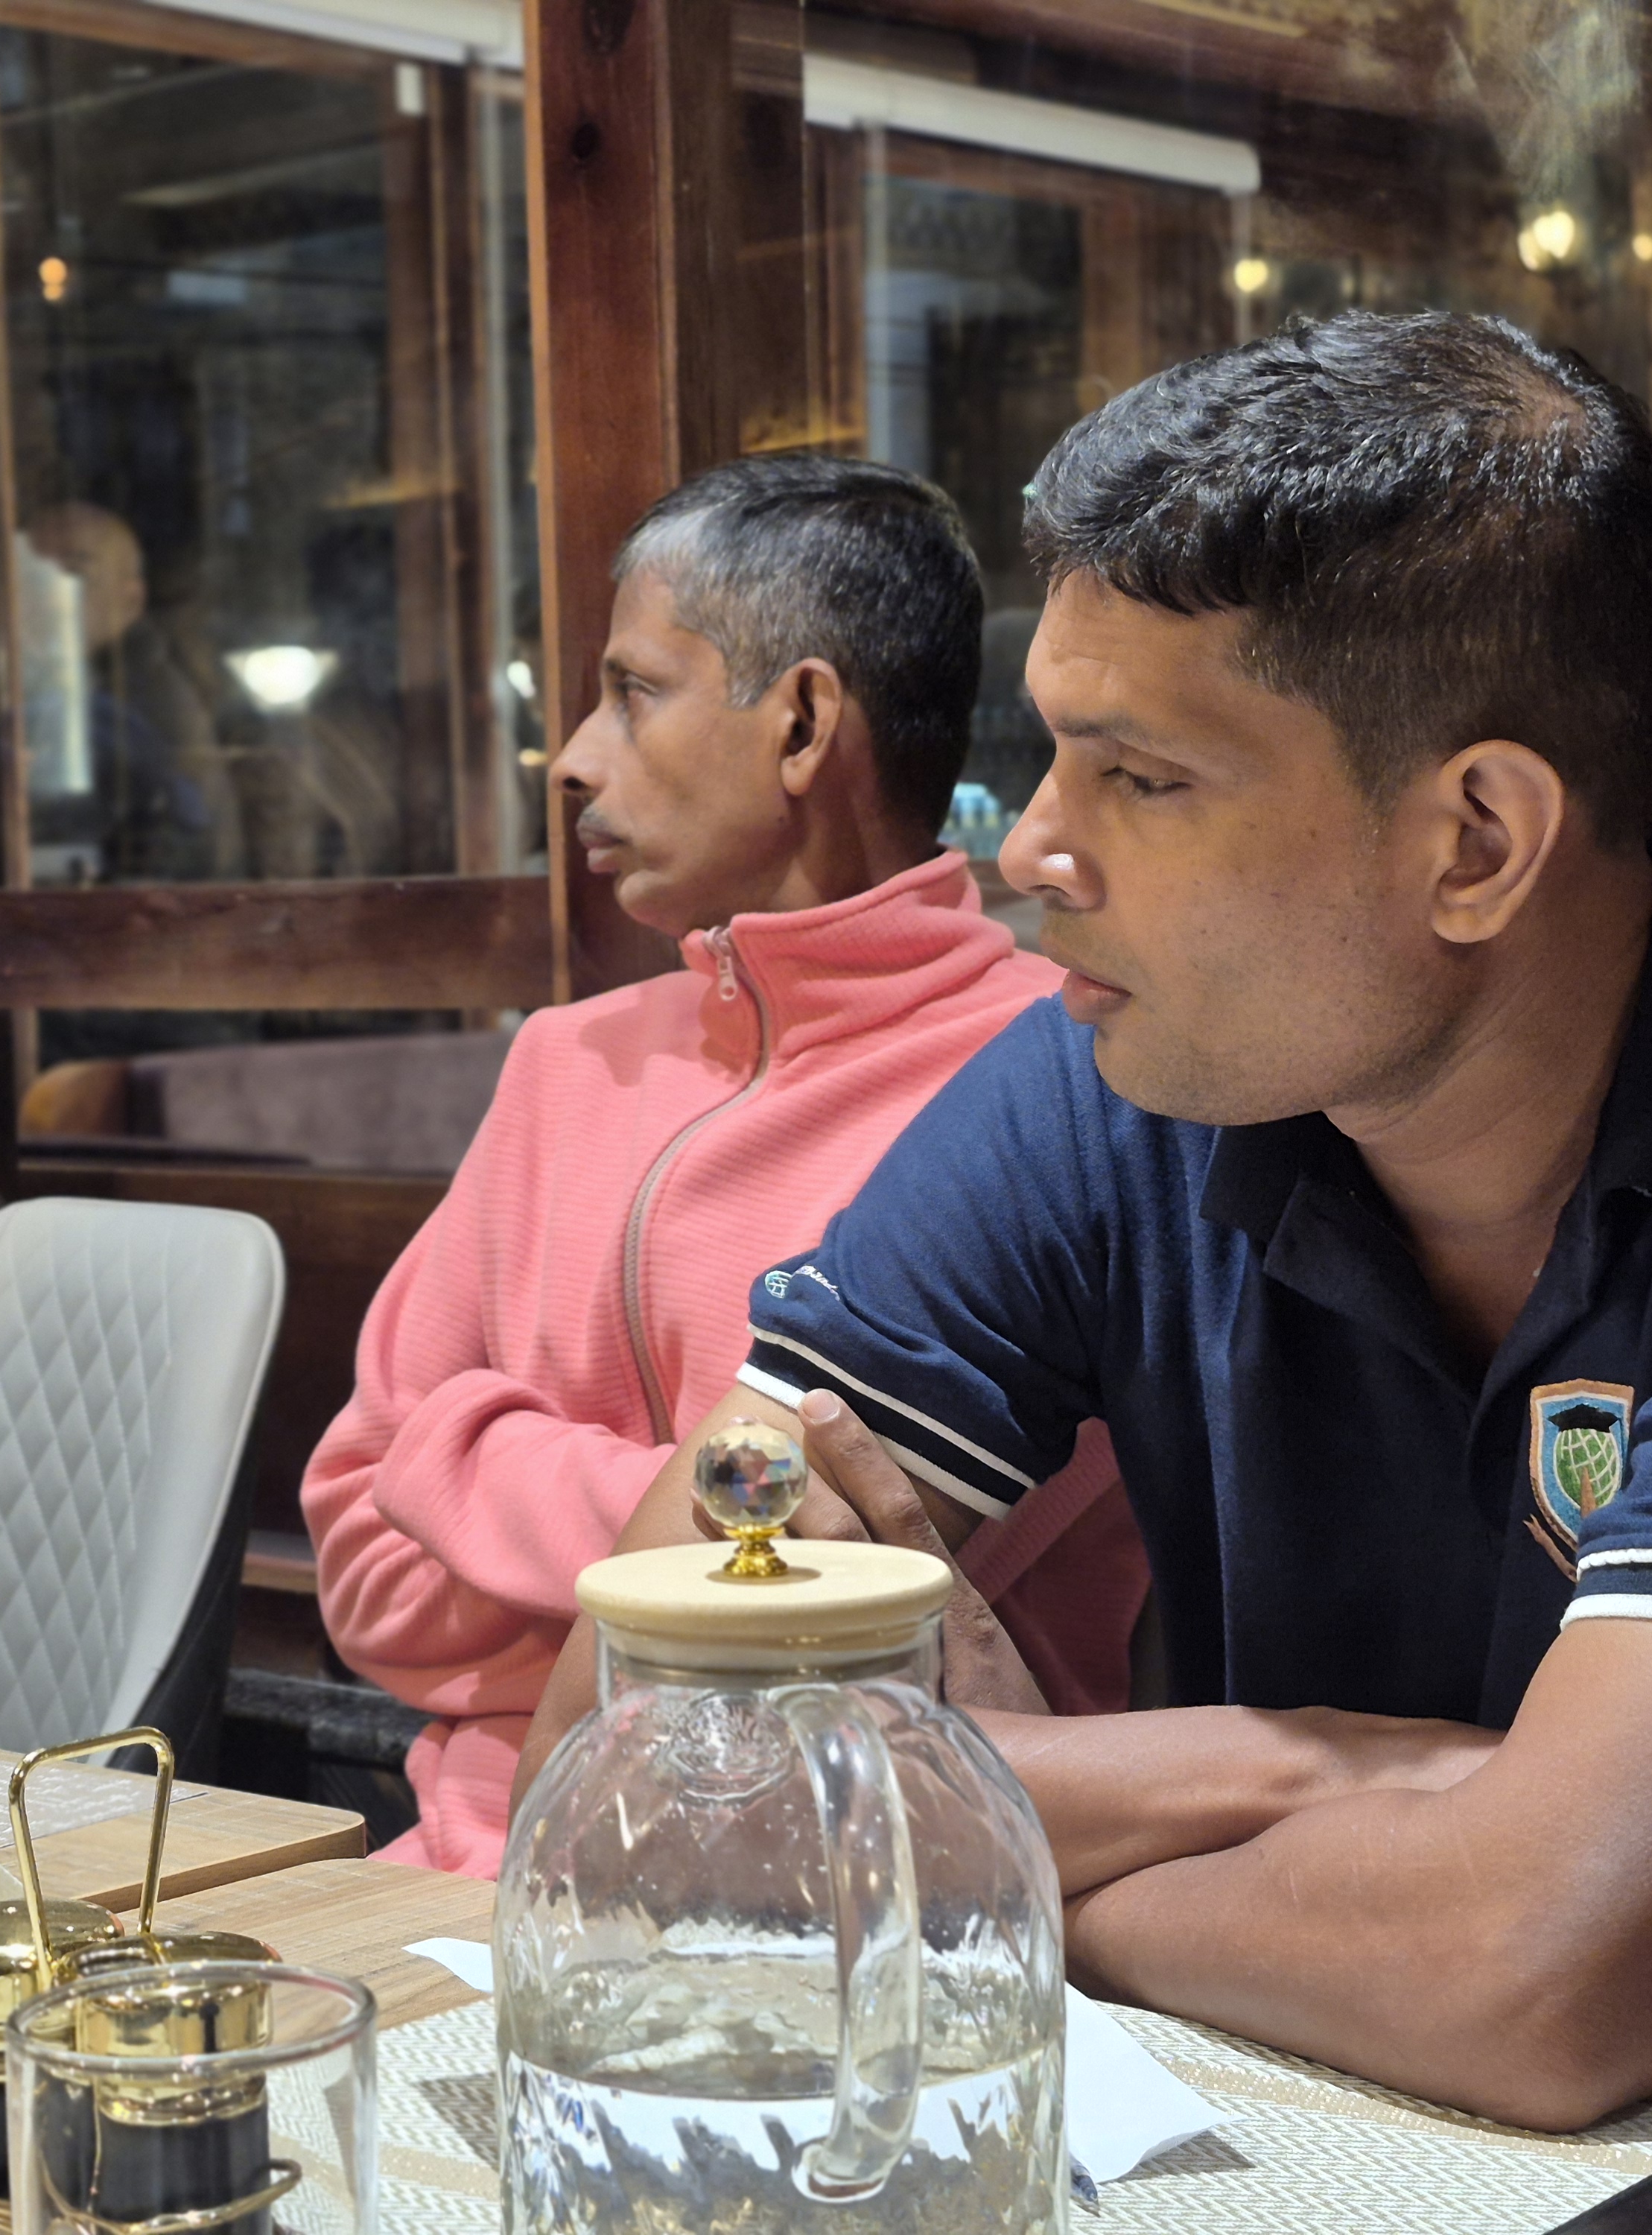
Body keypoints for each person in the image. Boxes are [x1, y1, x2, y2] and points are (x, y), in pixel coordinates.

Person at [516, 311, 1652, 2135]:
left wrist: (988, 1837)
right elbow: (611, 1779)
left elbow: (1534, 1983)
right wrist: (1339, 1778)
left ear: (1475, 842)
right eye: (1046, 751)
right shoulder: (1120, 1066)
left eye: (1141, 777)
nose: (1029, 850)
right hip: (1326, 2127)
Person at [308, 457, 1145, 1877]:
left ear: (803, 722)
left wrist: (467, 1460)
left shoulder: (1055, 1083)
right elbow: (363, 1567)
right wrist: (686, 1508)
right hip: (462, 1868)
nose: (572, 757)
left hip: (855, 1886)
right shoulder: (563, 1062)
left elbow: (833, 1631)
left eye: (633, 691)